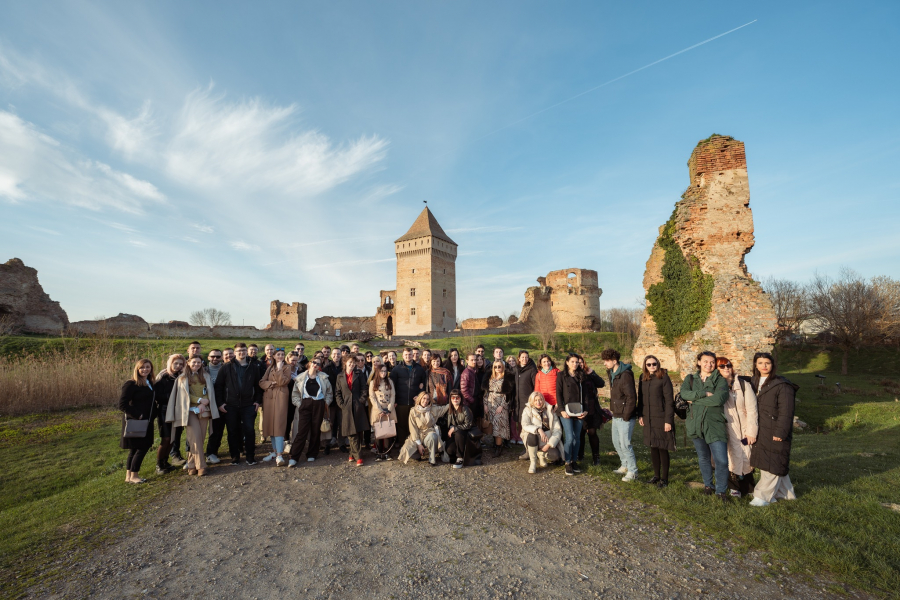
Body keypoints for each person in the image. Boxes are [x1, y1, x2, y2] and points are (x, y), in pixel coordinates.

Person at [749, 352, 798, 507]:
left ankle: (762, 496)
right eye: (760, 363)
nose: (764, 366)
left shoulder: (782, 384)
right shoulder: (754, 381)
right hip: (761, 428)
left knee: (774, 460)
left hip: (775, 429)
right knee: (768, 461)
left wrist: (780, 432)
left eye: (767, 363)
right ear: (755, 365)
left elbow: (787, 411)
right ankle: (785, 493)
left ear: (772, 365)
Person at [681, 351, 730, 502]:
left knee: (721, 460)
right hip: (695, 424)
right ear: (699, 362)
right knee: (703, 458)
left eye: (712, 362)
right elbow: (684, 394)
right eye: (705, 361)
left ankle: (721, 491)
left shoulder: (720, 380)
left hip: (714, 425)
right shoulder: (690, 379)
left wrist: (695, 400)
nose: (709, 364)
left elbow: (719, 400)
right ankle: (708, 486)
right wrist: (704, 394)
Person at [166, 356, 219, 476]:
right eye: (194, 362)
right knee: (194, 437)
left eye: (199, 362)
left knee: (199, 438)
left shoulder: (205, 376)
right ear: (188, 363)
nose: (196, 364)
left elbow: (209, 391)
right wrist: (199, 400)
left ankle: (191, 464)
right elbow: (183, 395)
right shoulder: (182, 378)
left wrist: (203, 402)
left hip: (204, 410)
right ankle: (201, 465)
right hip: (189, 411)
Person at [214, 342, 263, 465]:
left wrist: (257, 401)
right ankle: (235, 456)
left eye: (243, 350)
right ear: (234, 353)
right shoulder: (226, 367)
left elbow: (258, 386)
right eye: (239, 351)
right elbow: (219, 387)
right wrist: (220, 403)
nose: (241, 353)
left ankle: (250, 457)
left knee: (249, 431)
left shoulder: (253, 367)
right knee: (232, 431)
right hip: (231, 405)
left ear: (247, 351)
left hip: (248, 405)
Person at [717, 357, 758, 497]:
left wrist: (752, 431)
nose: (726, 368)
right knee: (729, 456)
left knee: (747, 455)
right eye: (721, 366)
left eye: (728, 365)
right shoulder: (715, 387)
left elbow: (752, 410)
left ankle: (749, 487)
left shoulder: (743, 384)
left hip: (745, 428)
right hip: (727, 428)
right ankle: (733, 487)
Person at [636, 355, 675, 488]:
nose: (652, 366)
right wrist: (640, 415)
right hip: (648, 417)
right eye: (649, 364)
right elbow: (640, 399)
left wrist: (668, 420)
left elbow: (670, 400)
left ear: (658, 364)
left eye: (654, 364)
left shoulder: (663, 377)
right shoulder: (643, 378)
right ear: (645, 366)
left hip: (661, 417)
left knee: (662, 447)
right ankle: (656, 475)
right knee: (653, 446)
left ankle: (664, 479)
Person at [288, 358, 333, 466]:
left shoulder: (323, 378)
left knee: (315, 430)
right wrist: (300, 404)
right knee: (302, 431)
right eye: (314, 362)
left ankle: (312, 453)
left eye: (318, 363)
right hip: (305, 404)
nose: (315, 364)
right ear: (309, 363)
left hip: (319, 404)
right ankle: (294, 456)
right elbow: (295, 395)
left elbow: (329, 393)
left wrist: (325, 403)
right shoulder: (300, 378)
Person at [602, 348, 638, 481]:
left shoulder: (626, 375)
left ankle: (633, 471)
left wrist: (627, 415)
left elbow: (631, 397)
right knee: (616, 442)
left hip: (625, 415)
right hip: (616, 414)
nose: (604, 363)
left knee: (625, 444)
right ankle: (625, 465)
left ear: (614, 361)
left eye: (607, 361)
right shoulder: (612, 372)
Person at [119, 359, 157, 484]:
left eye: (148, 367)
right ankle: (134, 475)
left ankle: (129, 476)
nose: (145, 369)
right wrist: (138, 415)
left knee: (135, 449)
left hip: (147, 421)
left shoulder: (149, 382)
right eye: (142, 367)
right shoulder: (131, 384)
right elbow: (122, 405)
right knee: (142, 447)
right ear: (137, 369)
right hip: (136, 421)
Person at [556, 354, 589, 476]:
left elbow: (585, 395)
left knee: (577, 438)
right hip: (565, 410)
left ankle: (574, 461)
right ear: (567, 362)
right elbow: (558, 394)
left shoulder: (581, 376)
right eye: (572, 362)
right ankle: (568, 462)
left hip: (579, 410)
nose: (575, 364)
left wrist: (586, 410)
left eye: (577, 362)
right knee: (569, 437)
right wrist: (561, 410)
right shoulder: (561, 375)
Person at [398, 392, 451, 465]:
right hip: (417, 435)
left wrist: (454, 401)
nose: (425, 401)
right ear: (420, 399)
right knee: (406, 450)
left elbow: (445, 408)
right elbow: (413, 428)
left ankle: (432, 459)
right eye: (424, 398)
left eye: (428, 399)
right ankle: (419, 454)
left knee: (433, 436)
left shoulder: (433, 409)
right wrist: (419, 444)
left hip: (429, 433)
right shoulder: (413, 411)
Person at [259, 348, 292, 466]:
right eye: (278, 354)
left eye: (282, 354)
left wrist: (279, 369)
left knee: (278, 425)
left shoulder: (286, 368)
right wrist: (270, 384)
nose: (281, 356)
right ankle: (274, 452)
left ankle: (279, 455)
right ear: (273, 356)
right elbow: (262, 382)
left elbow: (283, 382)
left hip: (280, 399)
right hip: (269, 399)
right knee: (270, 426)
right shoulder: (269, 368)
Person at [389, 348, 427, 451]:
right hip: (401, 402)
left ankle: (414, 446)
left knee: (413, 426)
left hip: (414, 403)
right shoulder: (396, 369)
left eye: (410, 355)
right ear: (403, 355)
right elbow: (392, 386)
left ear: (412, 356)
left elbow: (423, 385)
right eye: (406, 355)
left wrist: (419, 396)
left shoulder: (419, 369)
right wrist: (395, 400)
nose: (408, 357)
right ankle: (403, 446)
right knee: (401, 425)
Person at [335, 355, 370, 466]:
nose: (352, 364)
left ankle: (351, 453)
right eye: (350, 362)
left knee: (359, 431)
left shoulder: (359, 374)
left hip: (357, 405)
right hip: (346, 407)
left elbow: (364, 389)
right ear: (345, 363)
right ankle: (358, 457)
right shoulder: (340, 376)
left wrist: (361, 401)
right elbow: (337, 392)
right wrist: (341, 404)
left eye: (354, 362)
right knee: (351, 432)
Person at [154, 354, 185, 472]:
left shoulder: (182, 376)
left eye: (181, 364)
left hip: (178, 410)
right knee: (166, 438)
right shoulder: (163, 376)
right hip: (165, 410)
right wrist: (172, 397)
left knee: (174, 438)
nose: (178, 366)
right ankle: (159, 464)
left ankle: (165, 462)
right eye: (175, 363)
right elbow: (157, 395)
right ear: (170, 363)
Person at [520, 391, 563, 474]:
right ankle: (533, 462)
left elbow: (557, 430)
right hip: (534, 438)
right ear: (532, 401)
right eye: (535, 400)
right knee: (532, 435)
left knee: (555, 456)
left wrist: (549, 445)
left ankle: (541, 455)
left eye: (540, 400)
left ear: (543, 400)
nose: (538, 402)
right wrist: (538, 429)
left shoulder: (550, 410)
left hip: (547, 440)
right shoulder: (527, 410)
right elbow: (525, 425)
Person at [481, 359, 515, 457]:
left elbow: (508, 394)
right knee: (492, 425)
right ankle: (496, 445)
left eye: (499, 366)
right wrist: (485, 404)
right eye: (495, 367)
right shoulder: (490, 377)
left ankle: (498, 448)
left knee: (498, 426)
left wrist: (502, 406)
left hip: (501, 404)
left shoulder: (506, 378)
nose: (497, 369)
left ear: (503, 367)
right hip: (491, 403)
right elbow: (486, 393)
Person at [577, 356, 606, 465]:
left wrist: (592, 373)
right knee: (580, 433)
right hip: (579, 407)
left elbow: (601, 383)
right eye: (576, 362)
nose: (579, 364)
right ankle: (580, 455)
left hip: (592, 407)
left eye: (581, 362)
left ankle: (596, 457)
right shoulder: (573, 375)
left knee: (592, 432)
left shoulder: (589, 374)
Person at [368, 363, 397, 461]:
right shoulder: (373, 383)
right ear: (378, 372)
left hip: (389, 408)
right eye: (381, 371)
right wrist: (380, 409)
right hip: (378, 410)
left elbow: (393, 395)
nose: (383, 373)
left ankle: (388, 453)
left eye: (385, 371)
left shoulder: (390, 381)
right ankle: (379, 453)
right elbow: (372, 397)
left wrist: (389, 408)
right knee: (379, 432)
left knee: (389, 432)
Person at [445, 390, 478, 468]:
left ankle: (460, 458)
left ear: (461, 399)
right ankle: (456, 453)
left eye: (457, 397)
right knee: (449, 450)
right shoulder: (450, 410)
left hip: (465, 434)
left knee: (459, 432)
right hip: (455, 435)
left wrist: (455, 428)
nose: (455, 399)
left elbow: (468, 424)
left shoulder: (465, 409)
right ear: (450, 399)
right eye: (453, 397)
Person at [512, 350, 537, 456]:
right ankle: (525, 445)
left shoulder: (532, 370)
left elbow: (535, 386)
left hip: (527, 402)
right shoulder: (515, 369)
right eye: (522, 357)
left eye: (526, 357)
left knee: (527, 424)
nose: (524, 359)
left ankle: (528, 449)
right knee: (520, 424)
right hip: (517, 401)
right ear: (519, 358)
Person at [205, 349, 226, 464]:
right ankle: (194, 456)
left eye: (218, 357)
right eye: (213, 356)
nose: (215, 359)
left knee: (217, 430)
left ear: (221, 358)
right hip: (205, 404)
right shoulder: (203, 370)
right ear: (208, 357)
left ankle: (212, 452)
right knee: (203, 431)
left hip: (221, 404)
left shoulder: (225, 369)